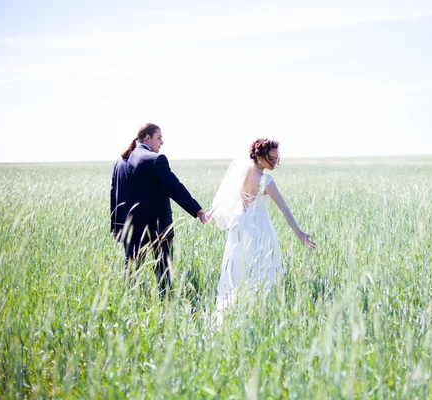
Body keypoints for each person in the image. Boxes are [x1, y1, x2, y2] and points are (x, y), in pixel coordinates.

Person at [210, 138, 315, 314]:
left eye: (276, 158)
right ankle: (256, 308)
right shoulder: (265, 180)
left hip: (238, 224)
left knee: (238, 267)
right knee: (261, 266)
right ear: (259, 157)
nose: (275, 162)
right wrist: (300, 234)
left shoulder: (242, 172)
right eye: (271, 158)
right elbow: (284, 209)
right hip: (258, 226)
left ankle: (235, 307)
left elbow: (228, 198)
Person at [110, 123, 208, 295]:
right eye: (159, 138)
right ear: (147, 138)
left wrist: (116, 227)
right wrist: (197, 210)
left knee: (132, 271)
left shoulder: (119, 161)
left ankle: (130, 307)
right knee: (163, 272)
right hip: (156, 228)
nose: (161, 143)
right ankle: (166, 306)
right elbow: (174, 187)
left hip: (129, 227)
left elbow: (114, 195)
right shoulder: (155, 159)